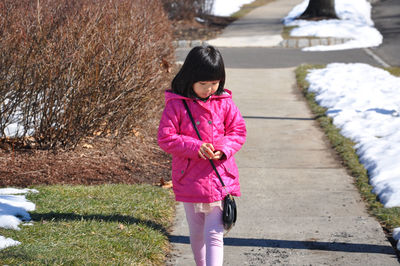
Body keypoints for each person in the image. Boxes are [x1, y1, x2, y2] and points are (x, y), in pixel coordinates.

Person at [157, 45, 246, 266]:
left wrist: (224, 148)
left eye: (214, 83)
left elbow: (238, 131)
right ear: (190, 79)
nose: (209, 89)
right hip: (190, 178)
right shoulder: (176, 105)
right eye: (203, 84)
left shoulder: (224, 102)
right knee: (196, 232)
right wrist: (195, 147)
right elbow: (166, 137)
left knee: (215, 233)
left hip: (219, 177)